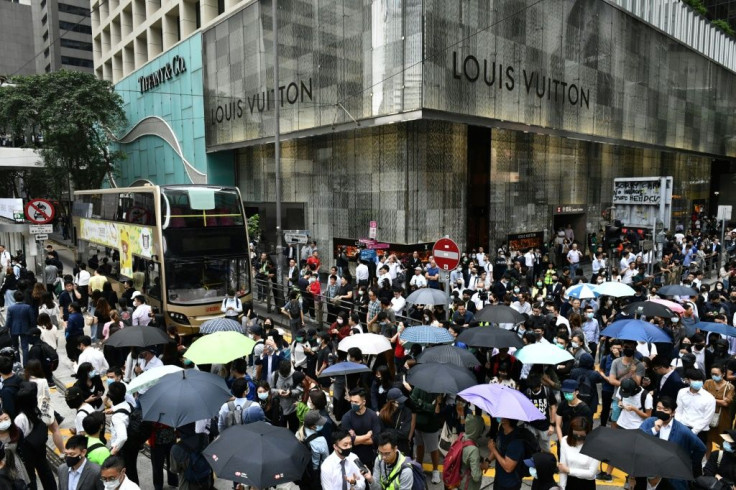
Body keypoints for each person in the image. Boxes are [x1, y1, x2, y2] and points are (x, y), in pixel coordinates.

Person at [640, 396, 706, 490]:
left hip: (672, 476)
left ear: (673, 412)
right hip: (650, 472)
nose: (661, 411)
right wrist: (654, 430)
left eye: (665, 409)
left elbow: (701, 448)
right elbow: (638, 440)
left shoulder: (682, 430)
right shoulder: (649, 422)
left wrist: (688, 465)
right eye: (658, 408)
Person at [15, 383, 57, 490]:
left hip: (27, 450)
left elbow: (18, 436)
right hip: (39, 446)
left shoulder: (21, 418)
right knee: (45, 471)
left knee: (30, 476)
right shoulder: (36, 409)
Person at [341, 387, 382, 469]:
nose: (353, 404)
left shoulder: (373, 416)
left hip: (369, 457)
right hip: (352, 457)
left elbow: (376, 439)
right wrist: (367, 436)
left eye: (356, 402)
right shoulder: (346, 417)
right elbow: (347, 440)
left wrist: (356, 439)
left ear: (363, 402)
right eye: (351, 401)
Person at [409, 387, 443, 484]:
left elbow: (435, 409)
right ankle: (419, 466)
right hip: (419, 423)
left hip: (431, 425)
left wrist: (420, 403)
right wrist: (427, 406)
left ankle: (435, 470)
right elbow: (413, 401)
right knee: (419, 446)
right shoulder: (418, 387)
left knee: (433, 448)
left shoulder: (438, 390)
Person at [676, 369, 716, 444]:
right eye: (694, 379)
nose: (697, 382)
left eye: (700, 380)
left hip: (700, 432)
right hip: (682, 427)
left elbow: (707, 418)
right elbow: (679, 411)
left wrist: (693, 432)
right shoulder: (682, 392)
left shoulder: (709, 398)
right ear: (687, 380)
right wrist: (679, 426)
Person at [558, 416, 598, 490]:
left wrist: (568, 470)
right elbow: (562, 469)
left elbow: (591, 473)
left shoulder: (594, 445)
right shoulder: (564, 441)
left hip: (587, 484)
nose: (578, 438)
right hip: (570, 483)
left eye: (582, 437)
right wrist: (562, 487)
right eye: (575, 436)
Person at [169, 423, 212, 490]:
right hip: (206, 480)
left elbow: (174, 469)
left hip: (188, 485)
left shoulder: (176, 448)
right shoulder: (204, 437)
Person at [704, 365, 734, 457]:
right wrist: (720, 400)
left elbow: (726, 403)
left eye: (716, 374)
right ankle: (707, 459)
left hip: (723, 418)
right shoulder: (708, 383)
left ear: (723, 374)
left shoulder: (730, 387)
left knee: (722, 440)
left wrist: (711, 399)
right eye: (712, 374)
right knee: (708, 439)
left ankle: (720, 461)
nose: (714, 376)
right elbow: (702, 398)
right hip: (708, 416)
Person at [488, 418, 524, 490]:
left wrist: (493, 450)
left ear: (507, 420)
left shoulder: (516, 442)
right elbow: (498, 448)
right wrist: (487, 461)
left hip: (509, 484)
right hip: (499, 478)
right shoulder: (502, 430)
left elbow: (508, 467)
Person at [524, 374, 557, 452]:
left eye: (535, 389)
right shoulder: (527, 392)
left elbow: (553, 407)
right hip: (531, 425)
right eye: (532, 388)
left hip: (544, 425)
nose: (534, 390)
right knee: (532, 446)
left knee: (546, 448)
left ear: (540, 385)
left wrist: (552, 425)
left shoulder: (547, 391)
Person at [296, 410, 330, 489]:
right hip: (316, 473)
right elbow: (326, 459)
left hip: (303, 472)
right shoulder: (321, 440)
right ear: (312, 426)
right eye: (319, 424)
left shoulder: (298, 433)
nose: (322, 424)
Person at [555, 380, 593, 448]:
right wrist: (561, 442)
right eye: (565, 392)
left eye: (569, 392)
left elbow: (588, 429)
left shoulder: (585, 409)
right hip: (564, 439)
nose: (566, 394)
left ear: (577, 392)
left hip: (578, 442)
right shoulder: (562, 405)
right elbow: (558, 425)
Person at [456, 413, 489, 490]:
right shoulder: (473, 450)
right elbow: (476, 477)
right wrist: (481, 467)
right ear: (477, 430)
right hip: (468, 486)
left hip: (460, 480)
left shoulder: (462, 437)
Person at [378, 388, 412, 455]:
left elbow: (405, 434)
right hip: (386, 448)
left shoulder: (406, 412)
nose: (401, 403)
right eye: (398, 401)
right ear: (391, 402)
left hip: (402, 448)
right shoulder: (383, 413)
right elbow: (380, 434)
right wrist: (396, 432)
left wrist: (387, 431)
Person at [5, 290, 34, 365]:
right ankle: (25, 364)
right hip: (25, 328)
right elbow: (32, 319)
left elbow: (8, 321)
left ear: (14, 298)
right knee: (25, 347)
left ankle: (17, 362)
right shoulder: (27, 307)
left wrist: (6, 329)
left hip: (13, 329)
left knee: (15, 347)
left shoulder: (10, 308)